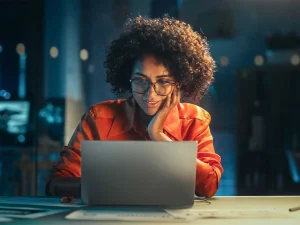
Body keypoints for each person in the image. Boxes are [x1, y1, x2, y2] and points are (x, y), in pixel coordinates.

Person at [46, 16, 223, 198]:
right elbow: (56, 183)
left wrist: (158, 136)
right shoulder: (99, 118)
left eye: (163, 82)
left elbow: (209, 186)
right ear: (127, 78)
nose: (150, 94)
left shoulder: (193, 120)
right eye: (140, 81)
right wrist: (107, 187)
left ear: (178, 83)